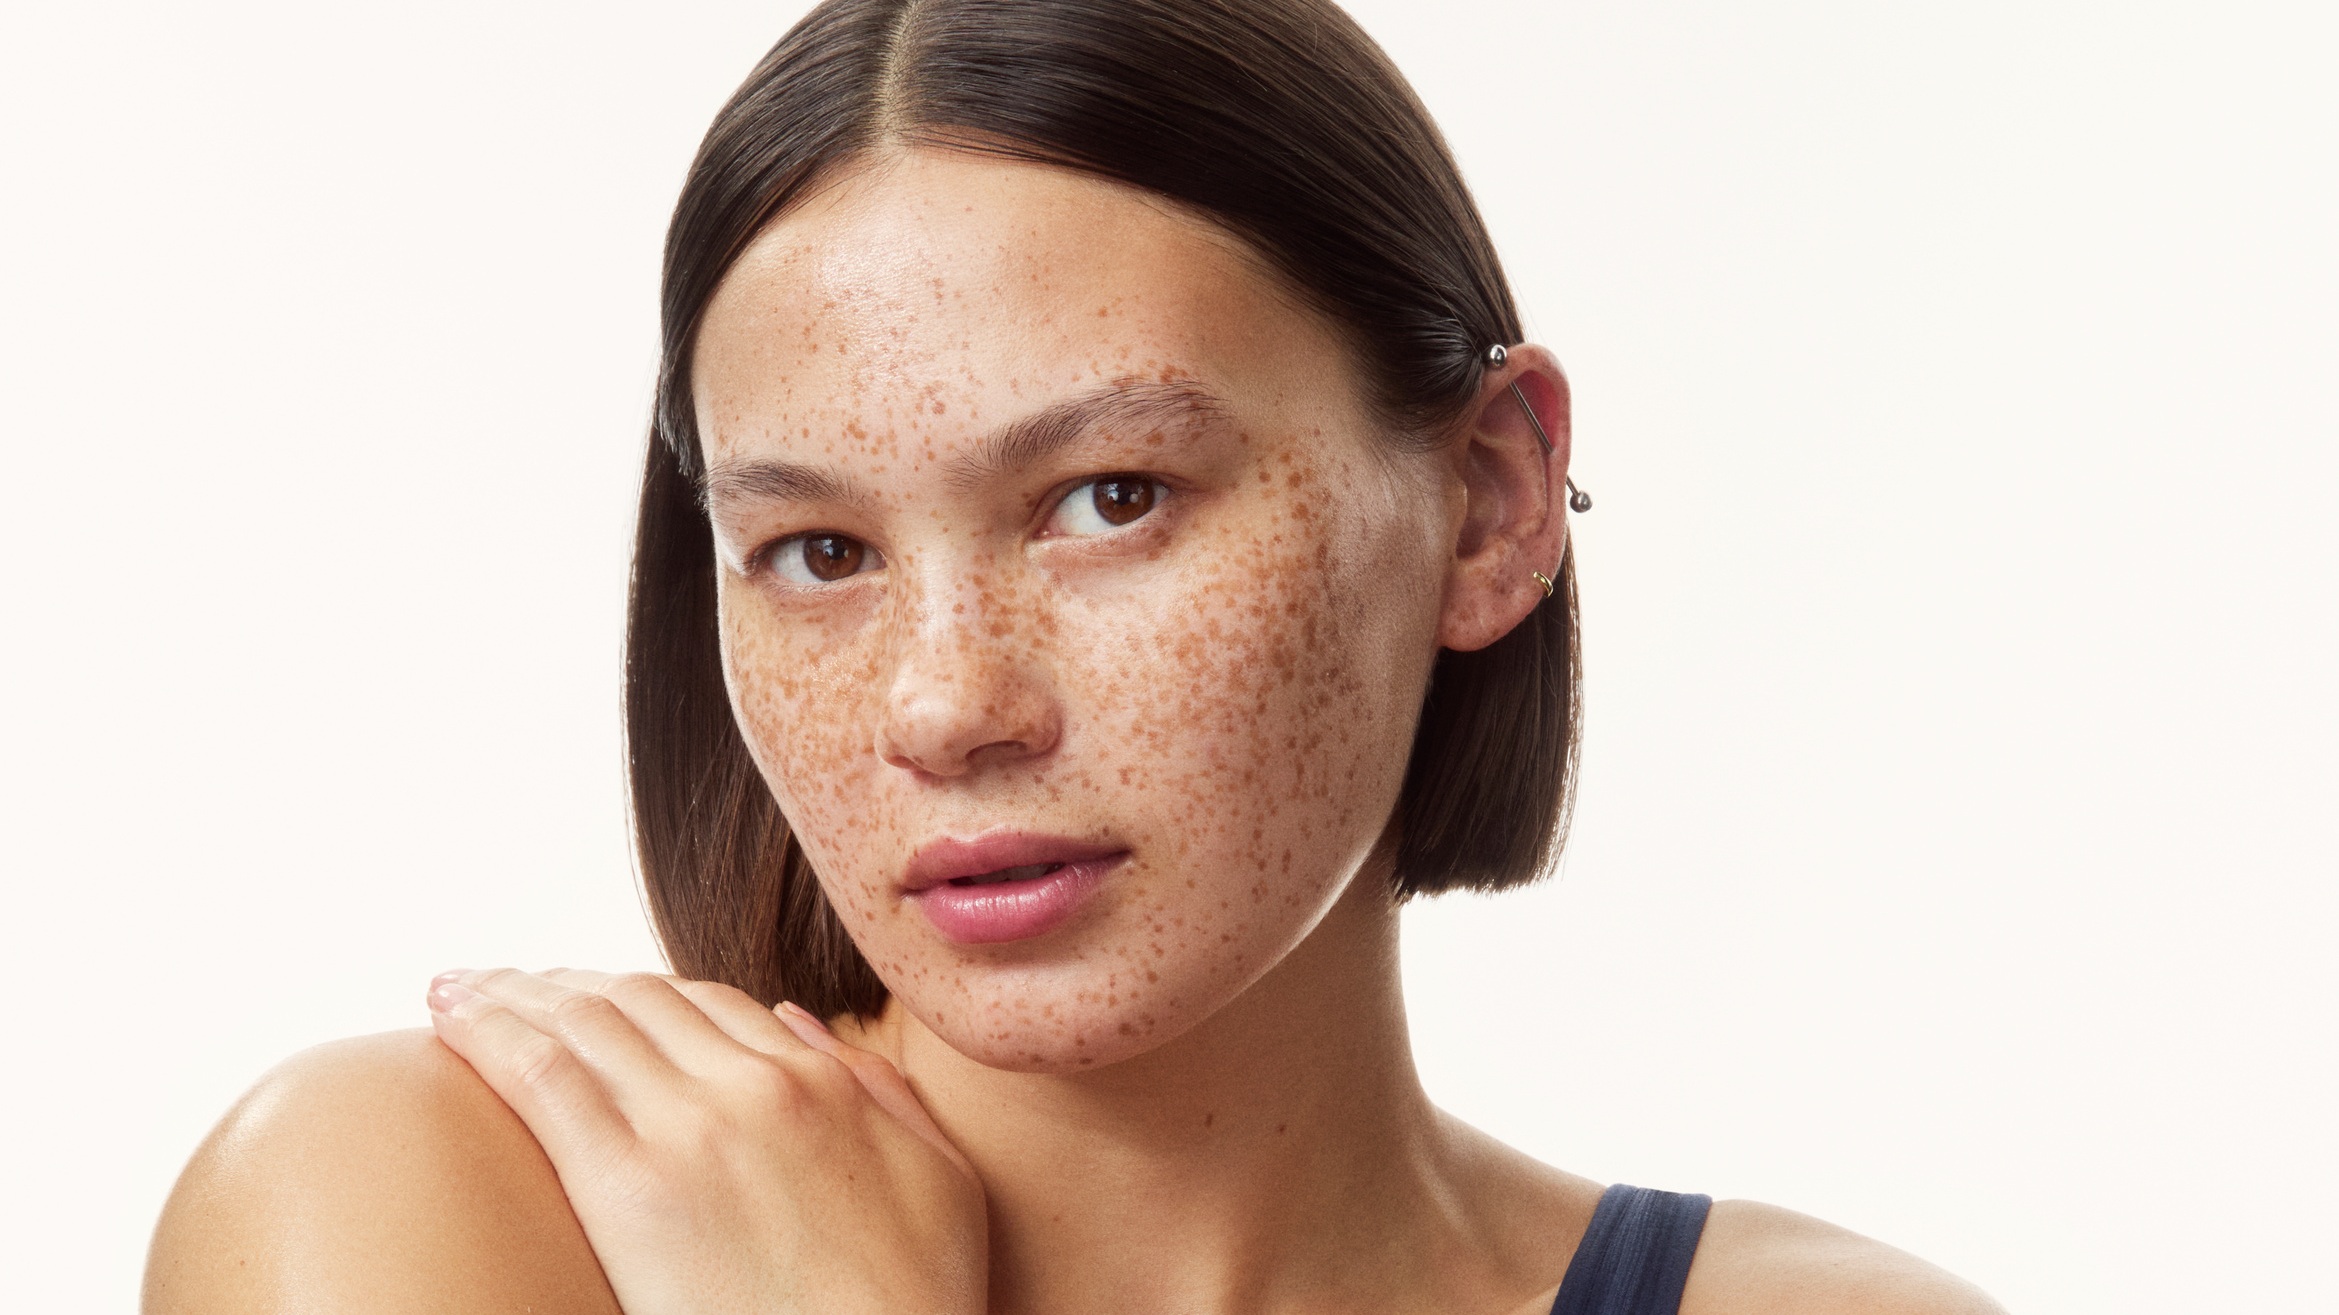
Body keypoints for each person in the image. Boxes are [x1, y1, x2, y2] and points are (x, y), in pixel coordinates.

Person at [143, 2, 2005, 1311]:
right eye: (817, 551)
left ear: (1493, 504)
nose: (948, 705)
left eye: (1111, 497)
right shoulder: (417, 1215)